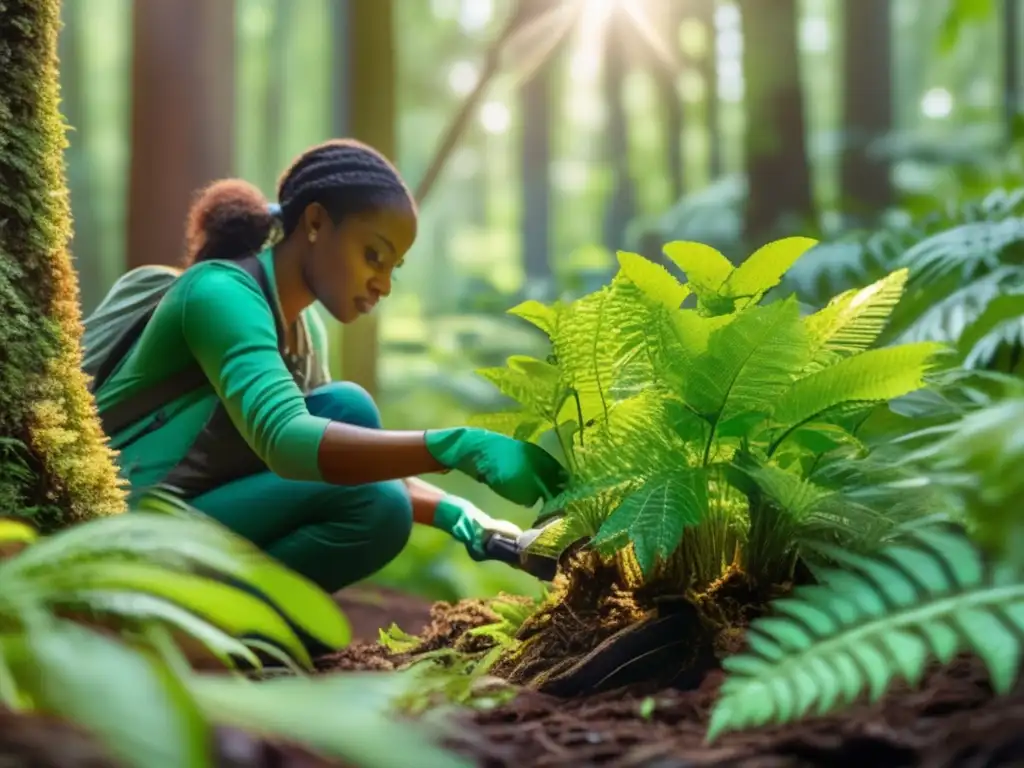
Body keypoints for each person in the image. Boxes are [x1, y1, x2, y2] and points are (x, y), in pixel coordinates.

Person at [87, 138, 567, 598]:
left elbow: (343, 460)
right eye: (373, 255)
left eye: (393, 267)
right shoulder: (220, 293)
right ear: (315, 223)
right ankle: (192, 632)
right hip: (114, 528)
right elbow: (287, 441)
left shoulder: (305, 331)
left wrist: (467, 518)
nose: (382, 284)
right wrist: (457, 447)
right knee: (350, 415)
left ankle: (243, 634)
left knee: (375, 489)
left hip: (186, 521)